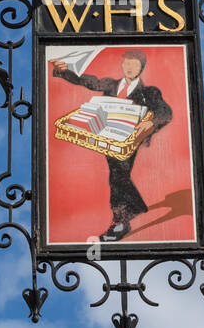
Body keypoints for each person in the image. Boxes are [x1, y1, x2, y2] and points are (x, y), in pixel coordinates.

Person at [52, 48, 172, 241]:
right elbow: (87, 81)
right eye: (127, 63)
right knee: (118, 175)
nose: (130, 67)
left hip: (128, 140)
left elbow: (165, 111)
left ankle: (121, 222)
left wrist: (151, 122)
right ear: (122, 65)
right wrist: (65, 71)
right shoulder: (110, 84)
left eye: (135, 64)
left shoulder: (149, 92)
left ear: (141, 67)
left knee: (117, 176)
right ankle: (134, 208)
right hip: (105, 137)